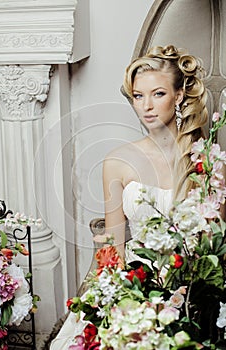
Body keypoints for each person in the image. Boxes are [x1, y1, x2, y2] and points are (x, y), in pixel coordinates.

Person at [49, 44, 208, 349]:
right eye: (138, 96)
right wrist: (123, 296)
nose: (146, 105)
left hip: (191, 282)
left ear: (178, 95)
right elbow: (114, 246)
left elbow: (217, 242)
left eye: (158, 94)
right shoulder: (118, 161)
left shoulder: (205, 159)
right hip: (135, 278)